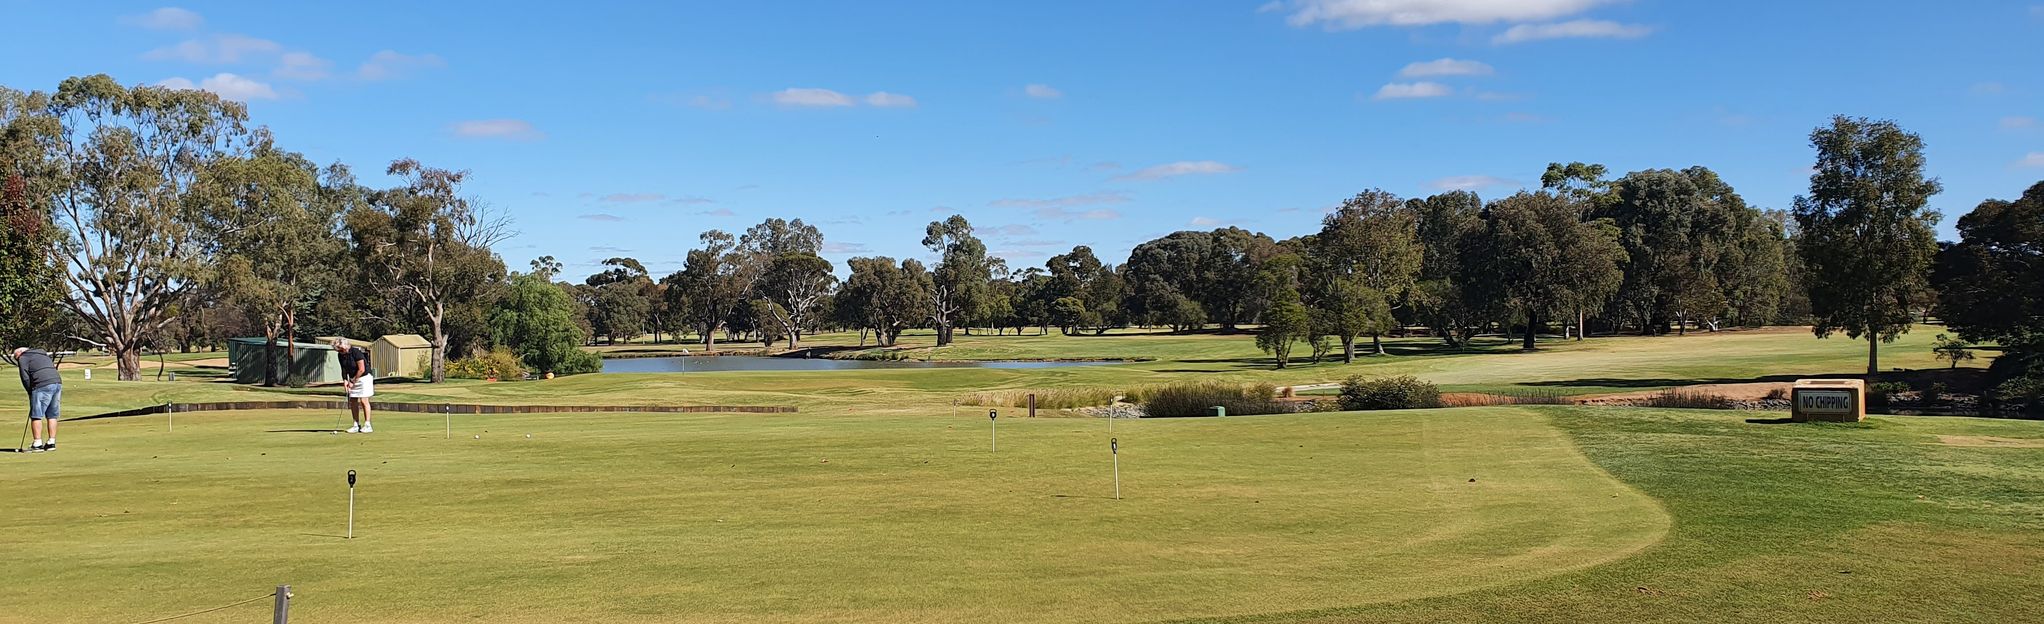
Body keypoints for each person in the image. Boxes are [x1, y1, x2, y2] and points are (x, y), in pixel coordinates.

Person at [14, 347, 61, 452]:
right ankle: (51, 442)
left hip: (41, 385)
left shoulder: (23, 357)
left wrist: (29, 391)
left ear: (20, 353)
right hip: (57, 382)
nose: (17, 360)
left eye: (16, 358)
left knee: (36, 414)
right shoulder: (42, 354)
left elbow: (25, 377)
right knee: (52, 414)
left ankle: (37, 443)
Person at [333, 339, 374, 433]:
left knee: (364, 401)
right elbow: (343, 369)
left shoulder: (356, 352)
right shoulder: (341, 355)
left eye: (341, 350)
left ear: (345, 346)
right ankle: (356, 425)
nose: (340, 352)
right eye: (338, 350)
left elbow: (361, 369)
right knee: (353, 400)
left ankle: (368, 425)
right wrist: (345, 381)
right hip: (352, 378)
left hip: (364, 378)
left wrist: (352, 381)